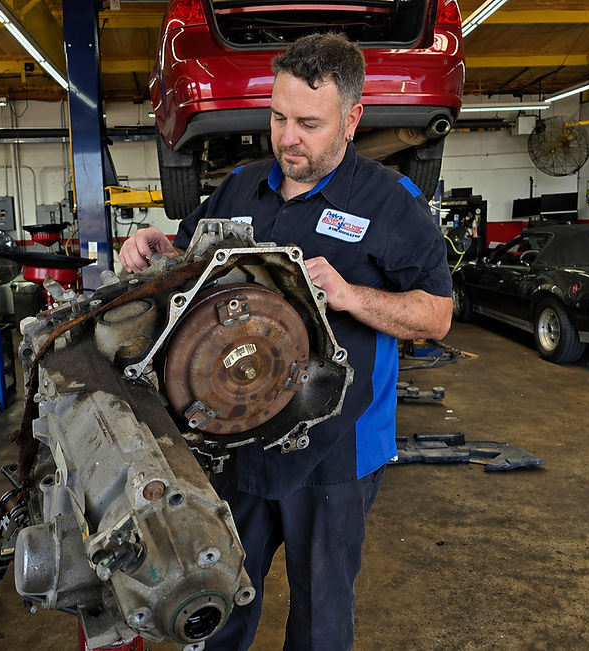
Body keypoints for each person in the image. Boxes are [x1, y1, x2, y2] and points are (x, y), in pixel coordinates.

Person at [120, 32, 452, 650]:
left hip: (335, 451)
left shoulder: (391, 203)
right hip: (233, 437)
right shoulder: (241, 186)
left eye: (308, 123)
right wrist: (153, 247)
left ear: (351, 120)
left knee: (320, 617)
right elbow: (188, 262)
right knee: (217, 600)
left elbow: (436, 317)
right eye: (278, 118)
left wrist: (352, 296)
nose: (288, 138)